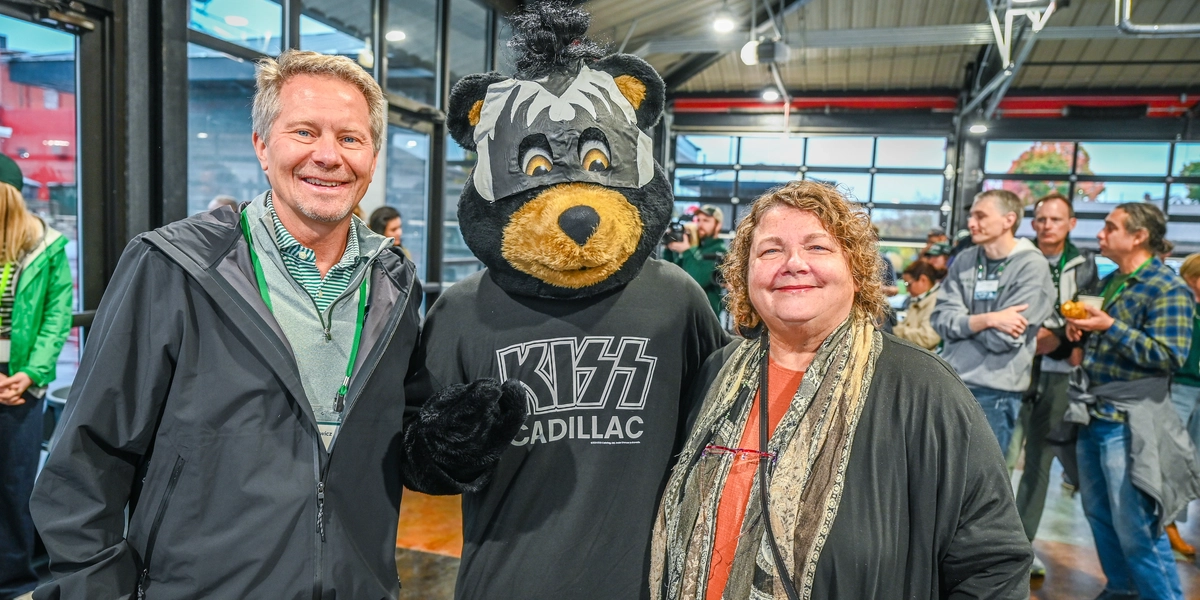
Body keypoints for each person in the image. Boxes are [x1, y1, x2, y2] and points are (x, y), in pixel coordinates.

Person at [29, 50, 523, 598]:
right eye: (304, 132)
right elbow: (87, 460)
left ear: (373, 155)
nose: (328, 156)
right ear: (262, 147)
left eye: (351, 138)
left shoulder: (393, 280)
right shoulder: (174, 268)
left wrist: (454, 444)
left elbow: (396, 438)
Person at [650, 180, 1031, 600]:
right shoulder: (717, 373)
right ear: (745, 274)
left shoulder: (923, 389)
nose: (793, 263)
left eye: (817, 247)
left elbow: (994, 564)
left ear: (857, 270)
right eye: (771, 250)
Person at [1064, 202, 1200, 600]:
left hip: (1131, 422)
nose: (1100, 234)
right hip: (1094, 414)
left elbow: (1170, 355)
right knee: (1099, 514)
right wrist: (1082, 332)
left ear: (1138, 236)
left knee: (1137, 525)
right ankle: (1122, 589)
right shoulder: (1112, 281)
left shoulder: (1167, 288)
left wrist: (1110, 326)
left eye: (1110, 227)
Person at [0, 154, 73, 600]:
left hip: (22, 380)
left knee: (15, 486)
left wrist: (30, 373)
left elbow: (56, 317)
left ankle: (14, 583)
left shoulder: (46, 248)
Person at [1014, 191, 1098, 578]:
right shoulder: (1018, 255)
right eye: (1041, 219)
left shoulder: (1085, 264)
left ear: (1071, 224)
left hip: (1059, 372)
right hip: (1013, 370)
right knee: (998, 458)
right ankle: (987, 543)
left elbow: (1086, 318)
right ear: (1033, 223)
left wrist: (1061, 339)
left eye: (1056, 219)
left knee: (1039, 463)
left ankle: (1021, 546)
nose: (1047, 226)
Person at [932, 189, 1054, 453]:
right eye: (971, 216)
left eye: (980, 216)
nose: (971, 223)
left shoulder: (1032, 266)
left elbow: (1003, 339)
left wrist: (964, 324)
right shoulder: (966, 259)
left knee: (980, 477)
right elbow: (940, 319)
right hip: (951, 381)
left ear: (1008, 220)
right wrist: (989, 319)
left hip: (996, 394)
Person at [1168, 252, 1200, 558]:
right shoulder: (1179, 305)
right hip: (1178, 386)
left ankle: (1172, 521)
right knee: (1175, 458)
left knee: (1193, 461)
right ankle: (1168, 524)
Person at [664, 204, 727, 315]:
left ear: (718, 225)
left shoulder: (720, 251)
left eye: (706, 221)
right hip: (686, 313)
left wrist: (686, 251)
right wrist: (669, 248)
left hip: (706, 317)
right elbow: (672, 275)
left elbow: (698, 279)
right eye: (699, 220)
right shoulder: (696, 248)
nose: (700, 224)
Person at [893, 259, 944, 350]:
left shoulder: (937, 302)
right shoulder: (919, 299)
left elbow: (927, 338)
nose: (907, 290)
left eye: (908, 284)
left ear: (923, 280)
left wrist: (895, 329)